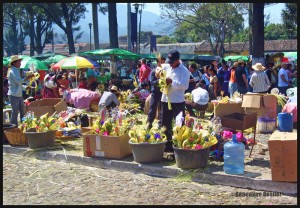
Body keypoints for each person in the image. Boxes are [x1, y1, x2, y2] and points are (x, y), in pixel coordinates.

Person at [161, 50, 190, 153]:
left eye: (172, 61)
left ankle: (178, 146)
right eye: (169, 61)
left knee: (179, 124)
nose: (170, 64)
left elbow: (185, 86)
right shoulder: (167, 66)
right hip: (165, 99)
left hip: (177, 101)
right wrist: (158, 73)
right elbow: (158, 70)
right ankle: (167, 145)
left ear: (178, 60)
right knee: (164, 123)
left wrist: (172, 82)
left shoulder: (184, 71)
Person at [7, 55, 35, 127]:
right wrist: (28, 77)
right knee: (15, 112)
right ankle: (13, 127)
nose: (20, 64)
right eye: (19, 62)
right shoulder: (12, 71)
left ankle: (24, 126)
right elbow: (18, 81)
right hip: (13, 95)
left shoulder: (16, 70)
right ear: (14, 63)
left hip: (18, 95)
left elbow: (17, 85)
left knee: (23, 111)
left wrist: (25, 88)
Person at [146, 61, 164, 130]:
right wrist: (159, 81)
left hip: (163, 93)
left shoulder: (165, 72)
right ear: (158, 63)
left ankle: (160, 124)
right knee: (152, 109)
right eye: (161, 62)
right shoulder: (153, 72)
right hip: (155, 93)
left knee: (162, 109)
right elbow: (152, 82)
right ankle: (149, 124)